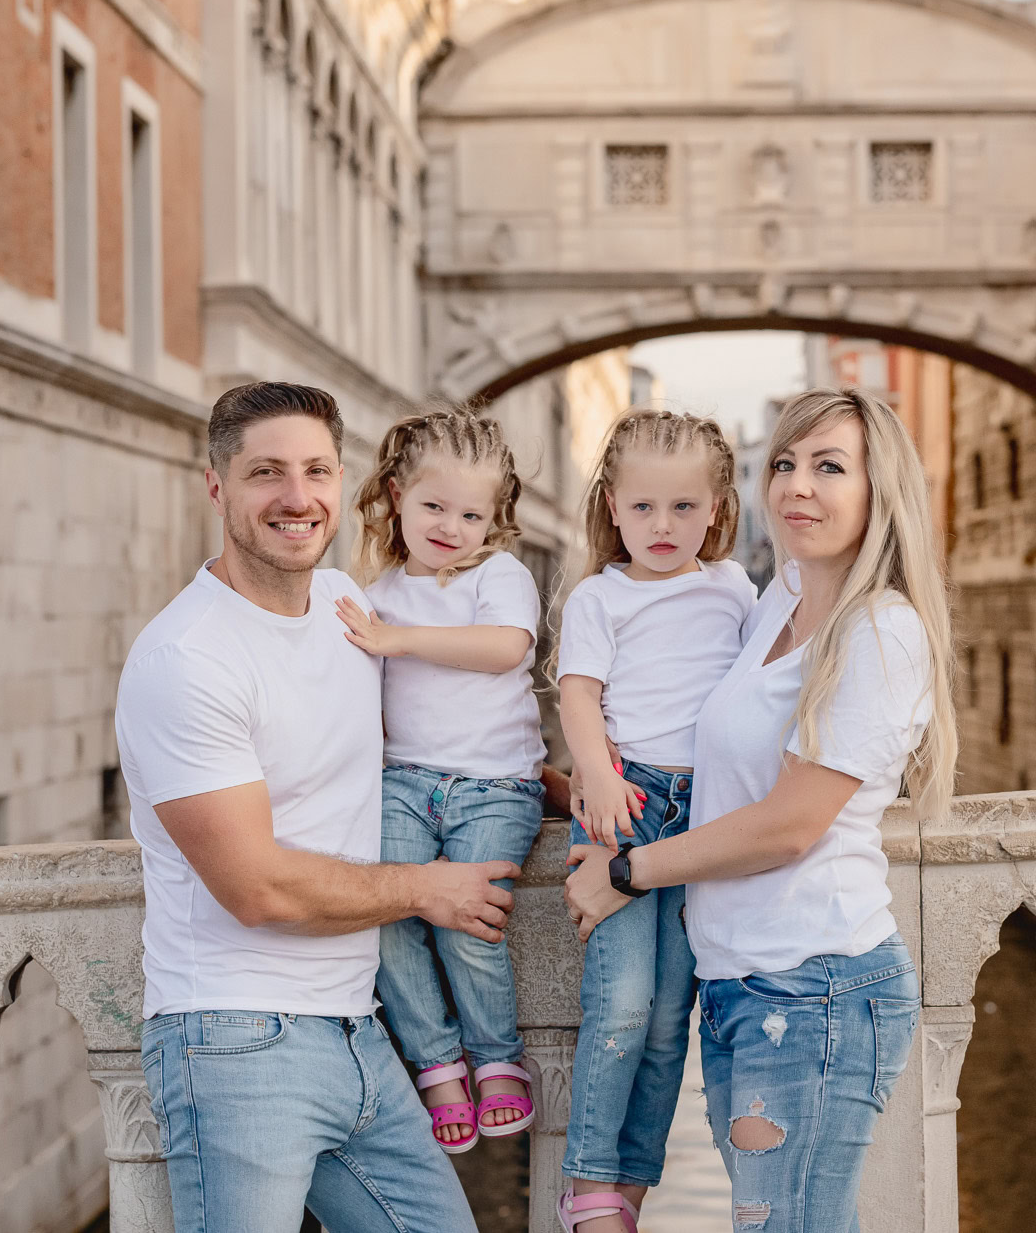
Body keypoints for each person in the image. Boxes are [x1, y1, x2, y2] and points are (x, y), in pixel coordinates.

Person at [116, 381, 511, 1233]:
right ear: (216, 487)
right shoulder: (187, 658)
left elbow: (442, 741)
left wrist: (562, 788)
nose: (297, 497)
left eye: (316, 471)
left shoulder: (349, 610)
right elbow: (257, 887)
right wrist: (426, 888)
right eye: (267, 473)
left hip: (356, 1029)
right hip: (233, 1038)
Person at [564, 387, 958, 1233]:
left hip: (816, 985)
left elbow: (788, 823)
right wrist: (576, 780)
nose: (797, 487)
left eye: (829, 467)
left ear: (878, 488)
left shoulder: (881, 633)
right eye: (784, 463)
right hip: (740, 983)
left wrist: (626, 871)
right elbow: (689, 746)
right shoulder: (774, 599)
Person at [552, 411, 756, 1233]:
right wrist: (594, 773)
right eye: (642, 508)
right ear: (611, 505)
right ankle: (589, 1174)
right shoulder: (599, 596)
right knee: (626, 1000)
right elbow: (577, 693)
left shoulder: (733, 588)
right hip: (626, 803)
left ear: (715, 508)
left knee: (675, 1013)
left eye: (682, 507)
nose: (662, 526)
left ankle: (633, 1177)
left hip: (700, 813)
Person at [335, 406, 545, 1152]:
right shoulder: (382, 589)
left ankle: (495, 1059)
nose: (452, 526)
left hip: (495, 785)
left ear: (495, 518)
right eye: (434, 506)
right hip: (403, 781)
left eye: (471, 513)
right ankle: (437, 1064)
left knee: (468, 922)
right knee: (387, 910)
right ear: (396, 494)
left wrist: (402, 639)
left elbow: (503, 648)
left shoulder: (500, 574)